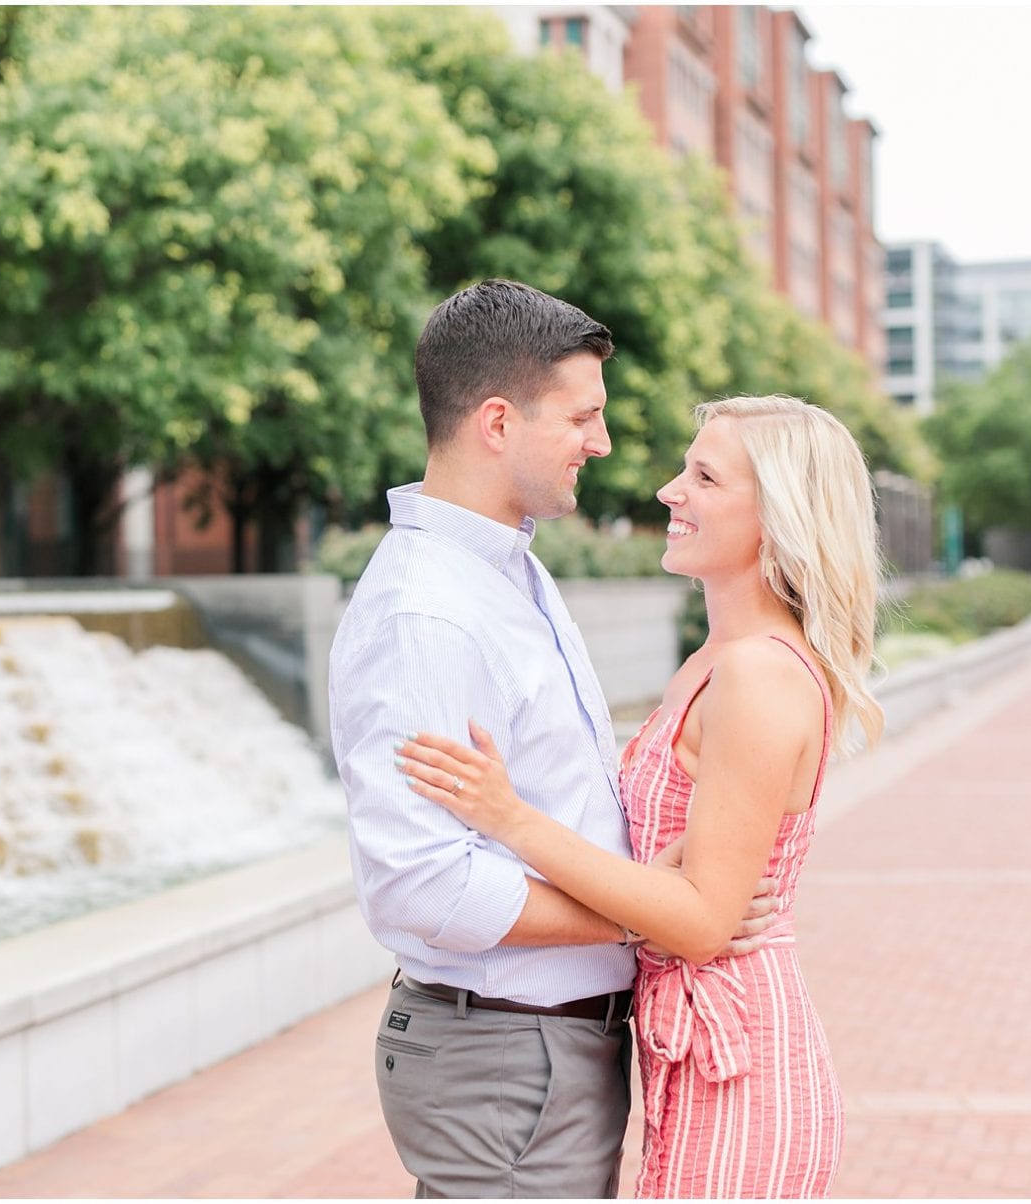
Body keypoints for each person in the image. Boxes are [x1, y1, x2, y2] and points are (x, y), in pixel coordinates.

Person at [329, 279, 774, 1199]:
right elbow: (422, 882)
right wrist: (653, 910)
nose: (602, 443)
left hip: (536, 1049)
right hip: (506, 1051)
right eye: (583, 417)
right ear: (498, 422)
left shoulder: (507, 569)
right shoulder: (431, 613)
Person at [397, 394, 885, 1197]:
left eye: (704, 476)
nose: (669, 490)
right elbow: (682, 894)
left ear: (778, 517)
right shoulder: (717, 662)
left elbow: (699, 923)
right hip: (692, 1058)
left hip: (737, 1065)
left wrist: (508, 816)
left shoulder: (758, 676)